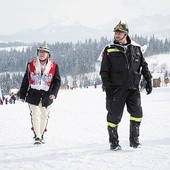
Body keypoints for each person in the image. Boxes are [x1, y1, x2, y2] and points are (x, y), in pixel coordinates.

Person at [99, 21, 152, 150]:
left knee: (137, 113)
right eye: (115, 32)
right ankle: (114, 142)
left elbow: (143, 66)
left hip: (133, 88)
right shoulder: (109, 49)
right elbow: (104, 71)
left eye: (119, 32)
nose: (116, 35)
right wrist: (107, 87)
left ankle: (134, 141)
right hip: (116, 89)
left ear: (126, 34)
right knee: (114, 115)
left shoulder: (136, 48)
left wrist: (148, 79)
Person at [19, 41, 61, 145]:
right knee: (35, 114)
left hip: (47, 95)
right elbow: (26, 80)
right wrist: (22, 94)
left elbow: (57, 81)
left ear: (48, 54)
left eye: (44, 52)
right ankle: (37, 136)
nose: (42, 54)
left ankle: (41, 134)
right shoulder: (31, 64)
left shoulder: (54, 66)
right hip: (33, 94)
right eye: (40, 52)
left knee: (44, 115)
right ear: (37, 53)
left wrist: (54, 93)